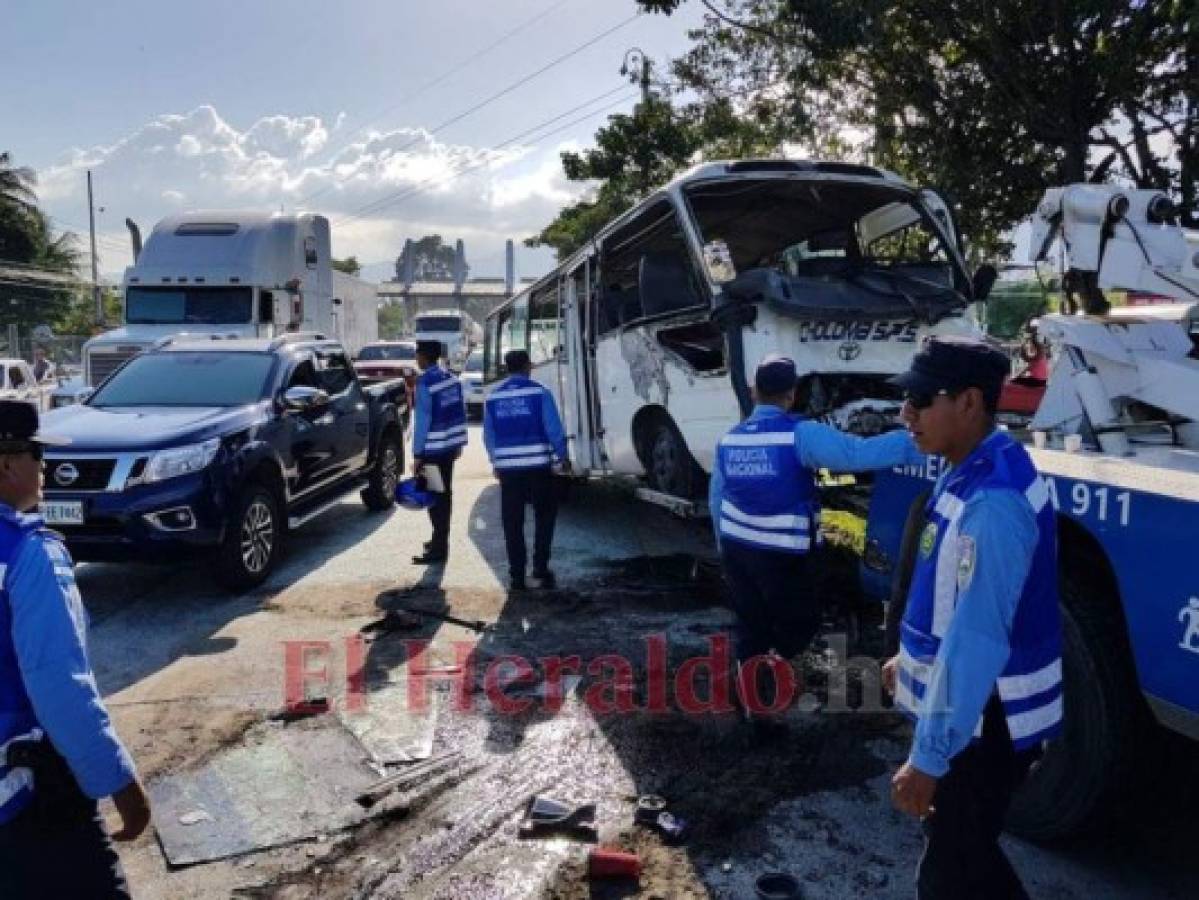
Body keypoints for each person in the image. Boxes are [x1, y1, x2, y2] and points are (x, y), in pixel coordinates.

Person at [881, 337, 1061, 900]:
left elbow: (977, 639)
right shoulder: (972, 467)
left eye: (919, 398)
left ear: (968, 404)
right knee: (966, 856)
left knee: (950, 872)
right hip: (979, 715)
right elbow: (945, 599)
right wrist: (907, 661)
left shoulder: (993, 504)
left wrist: (929, 757)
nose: (905, 413)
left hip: (988, 723)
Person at [710, 354, 924, 716]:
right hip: (782, 555)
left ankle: (749, 697)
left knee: (751, 623)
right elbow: (855, 454)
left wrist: (722, 545)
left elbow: (717, 497)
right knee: (801, 622)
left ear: (753, 392)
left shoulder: (730, 439)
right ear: (791, 395)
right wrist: (916, 441)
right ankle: (771, 670)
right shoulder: (800, 434)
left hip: (736, 548)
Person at [0, 401, 151, 897]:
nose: (43, 467)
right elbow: (59, 686)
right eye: (37, 455)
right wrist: (119, 783)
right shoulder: (29, 553)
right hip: (27, 802)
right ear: (7, 463)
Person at [482, 349, 570, 591]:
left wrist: (496, 462)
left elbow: (489, 436)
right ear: (528, 366)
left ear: (506, 368)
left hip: (509, 471)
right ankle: (540, 568)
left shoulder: (494, 398)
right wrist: (562, 457)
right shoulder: (540, 392)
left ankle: (516, 576)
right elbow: (553, 430)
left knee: (512, 523)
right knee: (544, 517)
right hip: (539, 468)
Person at [410, 340, 467, 564]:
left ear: (424, 356)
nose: (416, 359)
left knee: (435, 498)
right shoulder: (452, 379)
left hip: (432, 450)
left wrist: (417, 453)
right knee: (445, 495)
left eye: (417, 355)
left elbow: (422, 420)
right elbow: (459, 412)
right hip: (449, 448)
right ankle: (439, 540)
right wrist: (459, 443)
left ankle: (439, 548)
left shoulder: (424, 382)